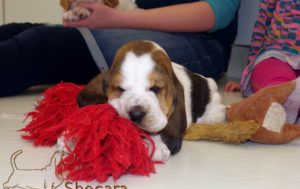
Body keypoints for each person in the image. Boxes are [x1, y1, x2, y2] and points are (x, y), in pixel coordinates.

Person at [0, 0, 240, 97]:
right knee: (16, 31)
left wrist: (114, 19)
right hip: (145, 21)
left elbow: (215, 14)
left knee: (43, 46)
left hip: (203, 43)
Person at [225, 0, 300, 124]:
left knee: (281, 88)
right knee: (275, 79)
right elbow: (261, 26)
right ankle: (283, 103)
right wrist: (248, 75)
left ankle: (288, 105)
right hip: (277, 55)